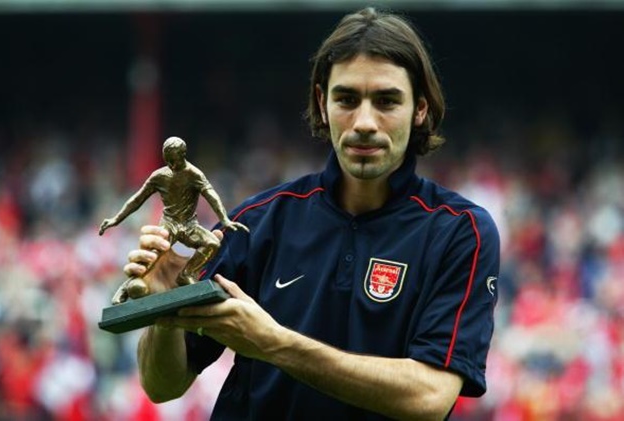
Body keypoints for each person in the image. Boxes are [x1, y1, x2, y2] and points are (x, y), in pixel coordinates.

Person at [126, 7, 500, 420]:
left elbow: (429, 397)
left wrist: (274, 342)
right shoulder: (256, 222)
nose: (364, 122)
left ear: (420, 110)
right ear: (323, 104)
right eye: (347, 99)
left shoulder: (460, 231)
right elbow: (162, 385)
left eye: (386, 101)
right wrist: (164, 313)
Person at [99, 136, 248, 304]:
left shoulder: (193, 174)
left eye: (174, 160)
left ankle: (186, 274)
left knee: (212, 243)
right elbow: (137, 199)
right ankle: (124, 288)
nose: (171, 164)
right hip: (169, 223)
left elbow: (211, 195)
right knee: (153, 254)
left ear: (182, 155)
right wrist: (116, 219)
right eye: (168, 160)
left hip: (189, 224)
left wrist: (224, 219)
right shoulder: (159, 176)